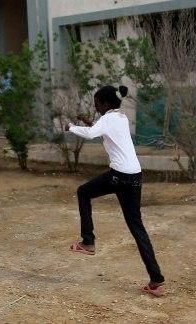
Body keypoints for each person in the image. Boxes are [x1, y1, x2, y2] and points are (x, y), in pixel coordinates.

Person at [66, 85, 165, 297]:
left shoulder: (107, 120)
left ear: (105, 103)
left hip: (119, 175)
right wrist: (86, 122)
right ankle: (156, 279)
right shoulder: (120, 118)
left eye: (97, 104)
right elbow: (101, 129)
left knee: (83, 192)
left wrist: (71, 127)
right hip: (135, 175)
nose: (96, 107)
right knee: (137, 227)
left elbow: (93, 134)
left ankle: (88, 242)